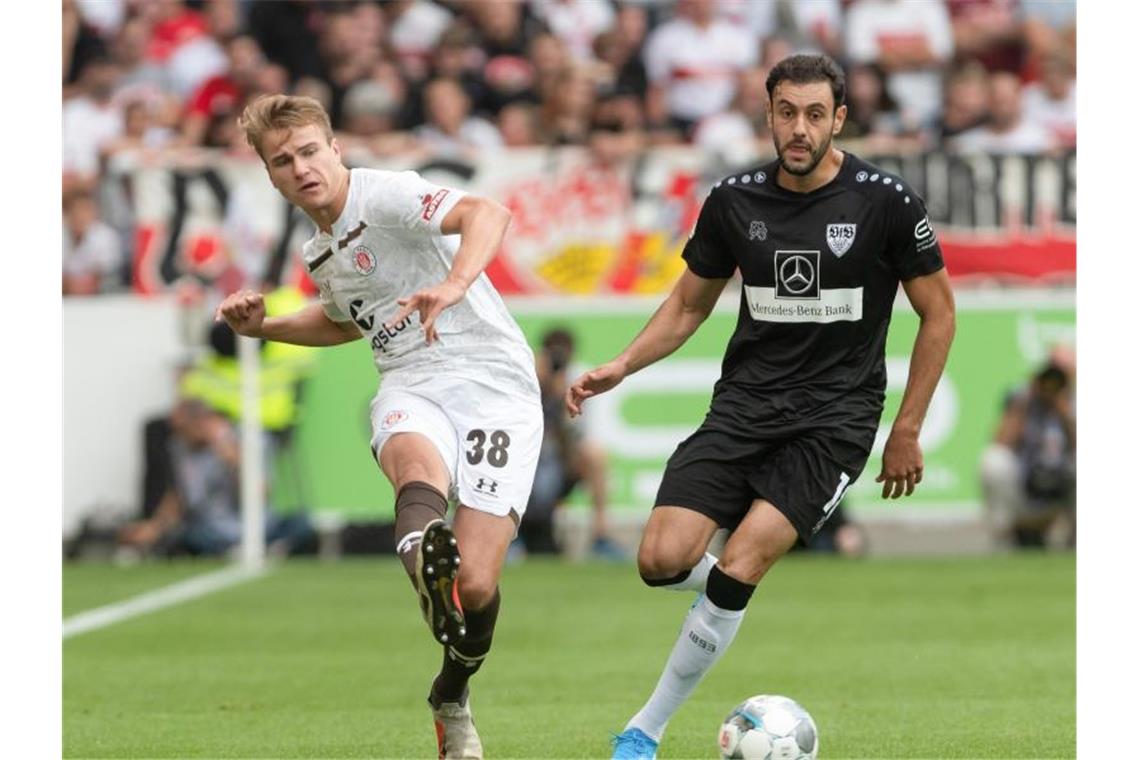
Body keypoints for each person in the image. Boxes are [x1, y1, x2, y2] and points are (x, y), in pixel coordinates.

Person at [566, 54, 956, 758]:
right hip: (742, 408)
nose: (799, 128)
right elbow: (688, 303)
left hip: (834, 422)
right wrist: (622, 364)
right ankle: (724, 603)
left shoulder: (886, 201)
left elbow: (940, 315)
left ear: (840, 117)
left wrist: (907, 428)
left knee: (740, 564)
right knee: (659, 559)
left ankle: (642, 731)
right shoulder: (734, 201)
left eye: (815, 114)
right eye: (786, 112)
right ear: (768, 113)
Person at [216, 94, 542, 760]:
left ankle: (451, 694)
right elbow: (344, 320)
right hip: (410, 380)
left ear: (335, 149)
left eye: (309, 151)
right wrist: (267, 327)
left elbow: (488, 211)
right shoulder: (319, 250)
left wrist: (453, 283)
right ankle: (424, 555)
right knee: (412, 463)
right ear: (272, 177)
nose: (302, 167)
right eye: (284, 160)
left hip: (494, 384)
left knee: (476, 588)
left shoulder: (385, 195)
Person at [519, 327, 626, 560]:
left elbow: (580, 436)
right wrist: (538, 387)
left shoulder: (579, 380)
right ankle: (510, 537)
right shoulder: (526, 377)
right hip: (527, 461)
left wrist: (561, 399)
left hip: (562, 459)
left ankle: (600, 537)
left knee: (595, 454)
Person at [979, 350, 1076, 549]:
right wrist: (1026, 401)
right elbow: (1000, 442)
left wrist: (1064, 411)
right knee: (993, 461)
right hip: (1025, 484)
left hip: (1064, 485)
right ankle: (1004, 539)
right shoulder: (1023, 398)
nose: (1054, 383)